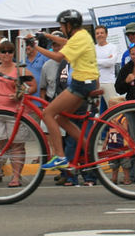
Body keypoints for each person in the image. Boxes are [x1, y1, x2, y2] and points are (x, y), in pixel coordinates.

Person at [41, 10, 99, 170]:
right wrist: (47, 37)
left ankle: (60, 157)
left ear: (68, 25)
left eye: (61, 25)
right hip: (88, 82)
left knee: (47, 113)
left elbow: (59, 57)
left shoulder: (79, 37)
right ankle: (89, 147)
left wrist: (35, 47)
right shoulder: (83, 34)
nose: (61, 27)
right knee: (60, 118)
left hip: (81, 83)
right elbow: (66, 42)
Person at [0, 41, 37, 187]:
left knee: (17, 145)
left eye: (9, 51)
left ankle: (16, 178)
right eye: (3, 51)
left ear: (13, 53)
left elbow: (33, 87)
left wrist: (20, 93)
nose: (6, 54)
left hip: (15, 113)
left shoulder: (20, 71)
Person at [94, 25, 120, 109]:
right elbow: (90, 63)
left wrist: (96, 61)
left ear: (106, 34)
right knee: (95, 109)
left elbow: (111, 62)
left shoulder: (112, 47)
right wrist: (105, 60)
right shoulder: (92, 48)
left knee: (114, 108)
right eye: (97, 33)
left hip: (108, 81)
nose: (100, 35)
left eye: (102, 33)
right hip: (95, 82)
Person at [39, 32, 65, 102]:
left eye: (58, 45)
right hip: (52, 100)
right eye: (54, 45)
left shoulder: (72, 63)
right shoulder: (46, 65)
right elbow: (42, 88)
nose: (56, 48)